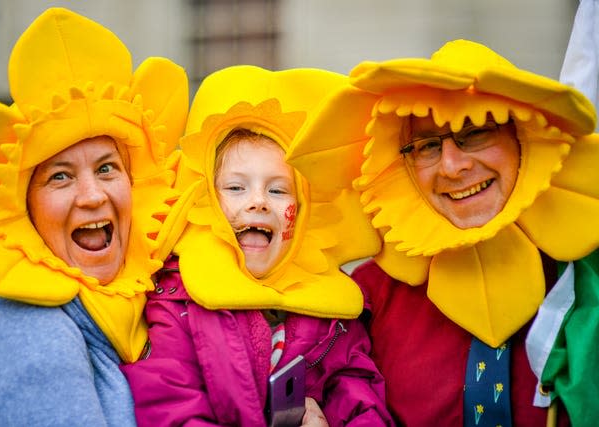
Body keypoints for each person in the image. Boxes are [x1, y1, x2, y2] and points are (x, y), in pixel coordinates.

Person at [287, 39, 599, 426]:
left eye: (474, 133)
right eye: (427, 146)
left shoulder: (583, 276)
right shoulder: (364, 298)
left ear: (522, 137)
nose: (451, 166)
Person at [120, 65, 393, 427]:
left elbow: (359, 393)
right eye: (236, 188)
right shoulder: (177, 303)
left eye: (278, 190)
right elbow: (171, 403)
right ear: (206, 201)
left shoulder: (334, 316)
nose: (258, 202)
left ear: (306, 214)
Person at [0, 7, 188, 426]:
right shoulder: (27, 333)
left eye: (106, 168)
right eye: (60, 177)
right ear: (22, 208)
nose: (92, 195)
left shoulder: (138, 301)